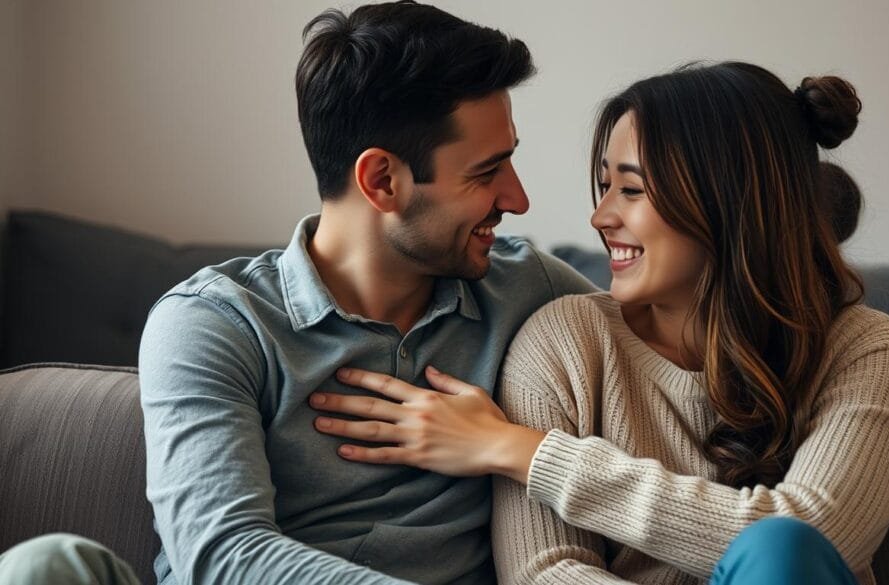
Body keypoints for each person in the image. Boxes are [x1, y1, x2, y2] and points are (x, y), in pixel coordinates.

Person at [0, 2, 597, 584]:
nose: (518, 200)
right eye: (486, 172)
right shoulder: (215, 323)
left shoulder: (527, 288)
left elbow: (673, 352)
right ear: (382, 180)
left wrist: (517, 447)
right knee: (45, 567)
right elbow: (222, 556)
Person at [310, 62, 889, 584]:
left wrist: (522, 451)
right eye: (604, 186)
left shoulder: (865, 348)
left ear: (730, 200)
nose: (600, 216)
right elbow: (543, 569)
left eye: (630, 189)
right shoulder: (564, 340)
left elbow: (817, 536)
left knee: (779, 547)